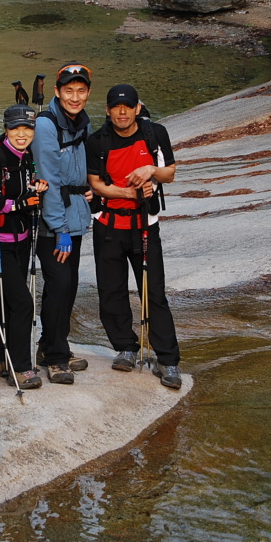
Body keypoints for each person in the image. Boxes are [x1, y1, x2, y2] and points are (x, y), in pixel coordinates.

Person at [86, 84, 182, 390]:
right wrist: (129, 191)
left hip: (144, 224)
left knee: (154, 292)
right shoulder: (97, 141)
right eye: (116, 107)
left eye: (128, 107)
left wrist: (150, 169)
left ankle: (167, 360)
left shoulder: (155, 134)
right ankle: (125, 347)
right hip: (109, 225)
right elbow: (96, 184)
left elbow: (170, 173)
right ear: (108, 110)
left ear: (137, 108)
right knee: (111, 290)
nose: (123, 112)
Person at [29, 63, 94, 384]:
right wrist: (60, 230)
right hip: (52, 223)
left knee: (69, 285)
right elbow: (49, 179)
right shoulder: (46, 125)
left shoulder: (81, 122)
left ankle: (52, 345)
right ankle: (54, 358)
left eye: (81, 91)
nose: (75, 96)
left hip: (76, 214)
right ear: (57, 92)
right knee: (59, 284)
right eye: (69, 90)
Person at [0, 104, 49, 390]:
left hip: (21, 242)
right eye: (16, 128)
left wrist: (36, 187)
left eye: (28, 128)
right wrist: (19, 203)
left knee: (10, 300)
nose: (22, 134)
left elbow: (26, 187)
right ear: (5, 130)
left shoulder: (28, 157)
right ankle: (19, 367)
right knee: (23, 303)